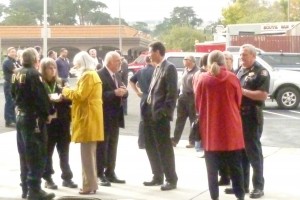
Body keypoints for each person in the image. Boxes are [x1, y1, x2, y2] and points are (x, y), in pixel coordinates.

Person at [194, 50, 245, 200]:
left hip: (211, 128)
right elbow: (238, 101)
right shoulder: (232, 78)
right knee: (236, 167)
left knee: (211, 170)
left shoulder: (202, 79)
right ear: (224, 61)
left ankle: (214, 197)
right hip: (231, 128)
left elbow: (198, 104)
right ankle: (240, 196)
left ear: (209, 62)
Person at [225, 44, 270, 199]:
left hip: (251, 116)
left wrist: (242, 91)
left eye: (244, 55)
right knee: (241, 152)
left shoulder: (261, 72)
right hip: (238, 116)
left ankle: (258, 186)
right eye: (240, 54)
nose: (241, 57)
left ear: (253, 56)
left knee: (253, 152)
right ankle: (243, 185)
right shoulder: (239, 71)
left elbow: (263, 95)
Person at [11, 47, 55, 200]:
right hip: (33, 119)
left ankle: (25, 187)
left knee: (24, 154)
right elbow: (41, 98)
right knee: (37, 154)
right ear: (36, 59)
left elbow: (12, 94)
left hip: (20, 116)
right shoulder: (35, 75)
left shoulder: (16, 73)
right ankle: (35, 190)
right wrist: (48, 113)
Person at [62, 51, 104, 194]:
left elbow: (80, 95)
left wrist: (66, 91)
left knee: (87, 155)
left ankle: (88, 185)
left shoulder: (87, 75)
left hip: (87, 117)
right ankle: (92, 184)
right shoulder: (93, 74)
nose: (75, 66)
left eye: (77, 64)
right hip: (92, 117)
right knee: (90, 154)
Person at [141, 41, 178, 191]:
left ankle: (171, 178)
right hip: (149, 114)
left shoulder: (169, 68)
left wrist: (164, 113)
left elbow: (172, 94)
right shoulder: (157, 67)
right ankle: (157, 176)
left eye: (150, 52)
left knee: (164, 148)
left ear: (157, 52)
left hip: (159, 115)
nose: (148, 55)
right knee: (150, 146)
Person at [39, 58, 77, 190]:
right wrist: (48, 99)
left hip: (63, 122)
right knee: (47, 152)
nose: (53, 71)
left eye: (54, 68)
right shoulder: (40, 84)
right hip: (48, 124)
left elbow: (71, 100)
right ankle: (47, 178)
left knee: (64, 152)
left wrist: (64, 98)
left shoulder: (61, 83)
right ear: (43, 70)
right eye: (50, 68)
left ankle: (67, 177)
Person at [97, 51, 128, 187]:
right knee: (102, 146)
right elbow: (97, 96)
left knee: (113, 145)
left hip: (116, 116)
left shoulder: (117, 74)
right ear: (109, 62)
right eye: (118, 61)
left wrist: (124, 92)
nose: (120, 63)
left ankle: (110, 171)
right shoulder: (99, 74)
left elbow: (121, 91)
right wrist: (114, 93)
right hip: (104, 115)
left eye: (120, 61)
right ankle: (100, 173)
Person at [171, 55, 199, 148]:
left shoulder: (197, 72)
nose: (184, 61)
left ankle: (192, 141)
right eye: (184, 59)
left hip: (192, 97)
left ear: (192, 61)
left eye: (186, 59)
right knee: (180, 119)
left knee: (193, 119)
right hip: (183, 97)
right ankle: (175, 140)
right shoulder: (185, 70)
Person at [129, 56, 155, 149]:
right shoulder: (155, 71)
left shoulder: (140, 71)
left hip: (144, 96)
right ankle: (151, 141)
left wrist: (137, 92)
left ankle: (141, 142)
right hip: (154, 97)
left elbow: (131, 81)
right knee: (153, 120)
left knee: (143, 120)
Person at [2, 47, 18, 127]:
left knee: (13, 102)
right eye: (12, 52)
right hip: (9, 84)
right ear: (8, 53)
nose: (14, 53)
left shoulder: (13, 61)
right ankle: (8, 121)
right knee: (9, 102)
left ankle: (13, 120)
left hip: (13, 83)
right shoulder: (7, 61)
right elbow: (16, 71)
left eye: (15, 52)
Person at [116, 50, 129, 115]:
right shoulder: (121, 62)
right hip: (120, 80)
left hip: (122, 81)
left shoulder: (124, 63)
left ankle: (124, 110)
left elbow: (124, 75)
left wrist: (125, 85)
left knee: (123, 95)